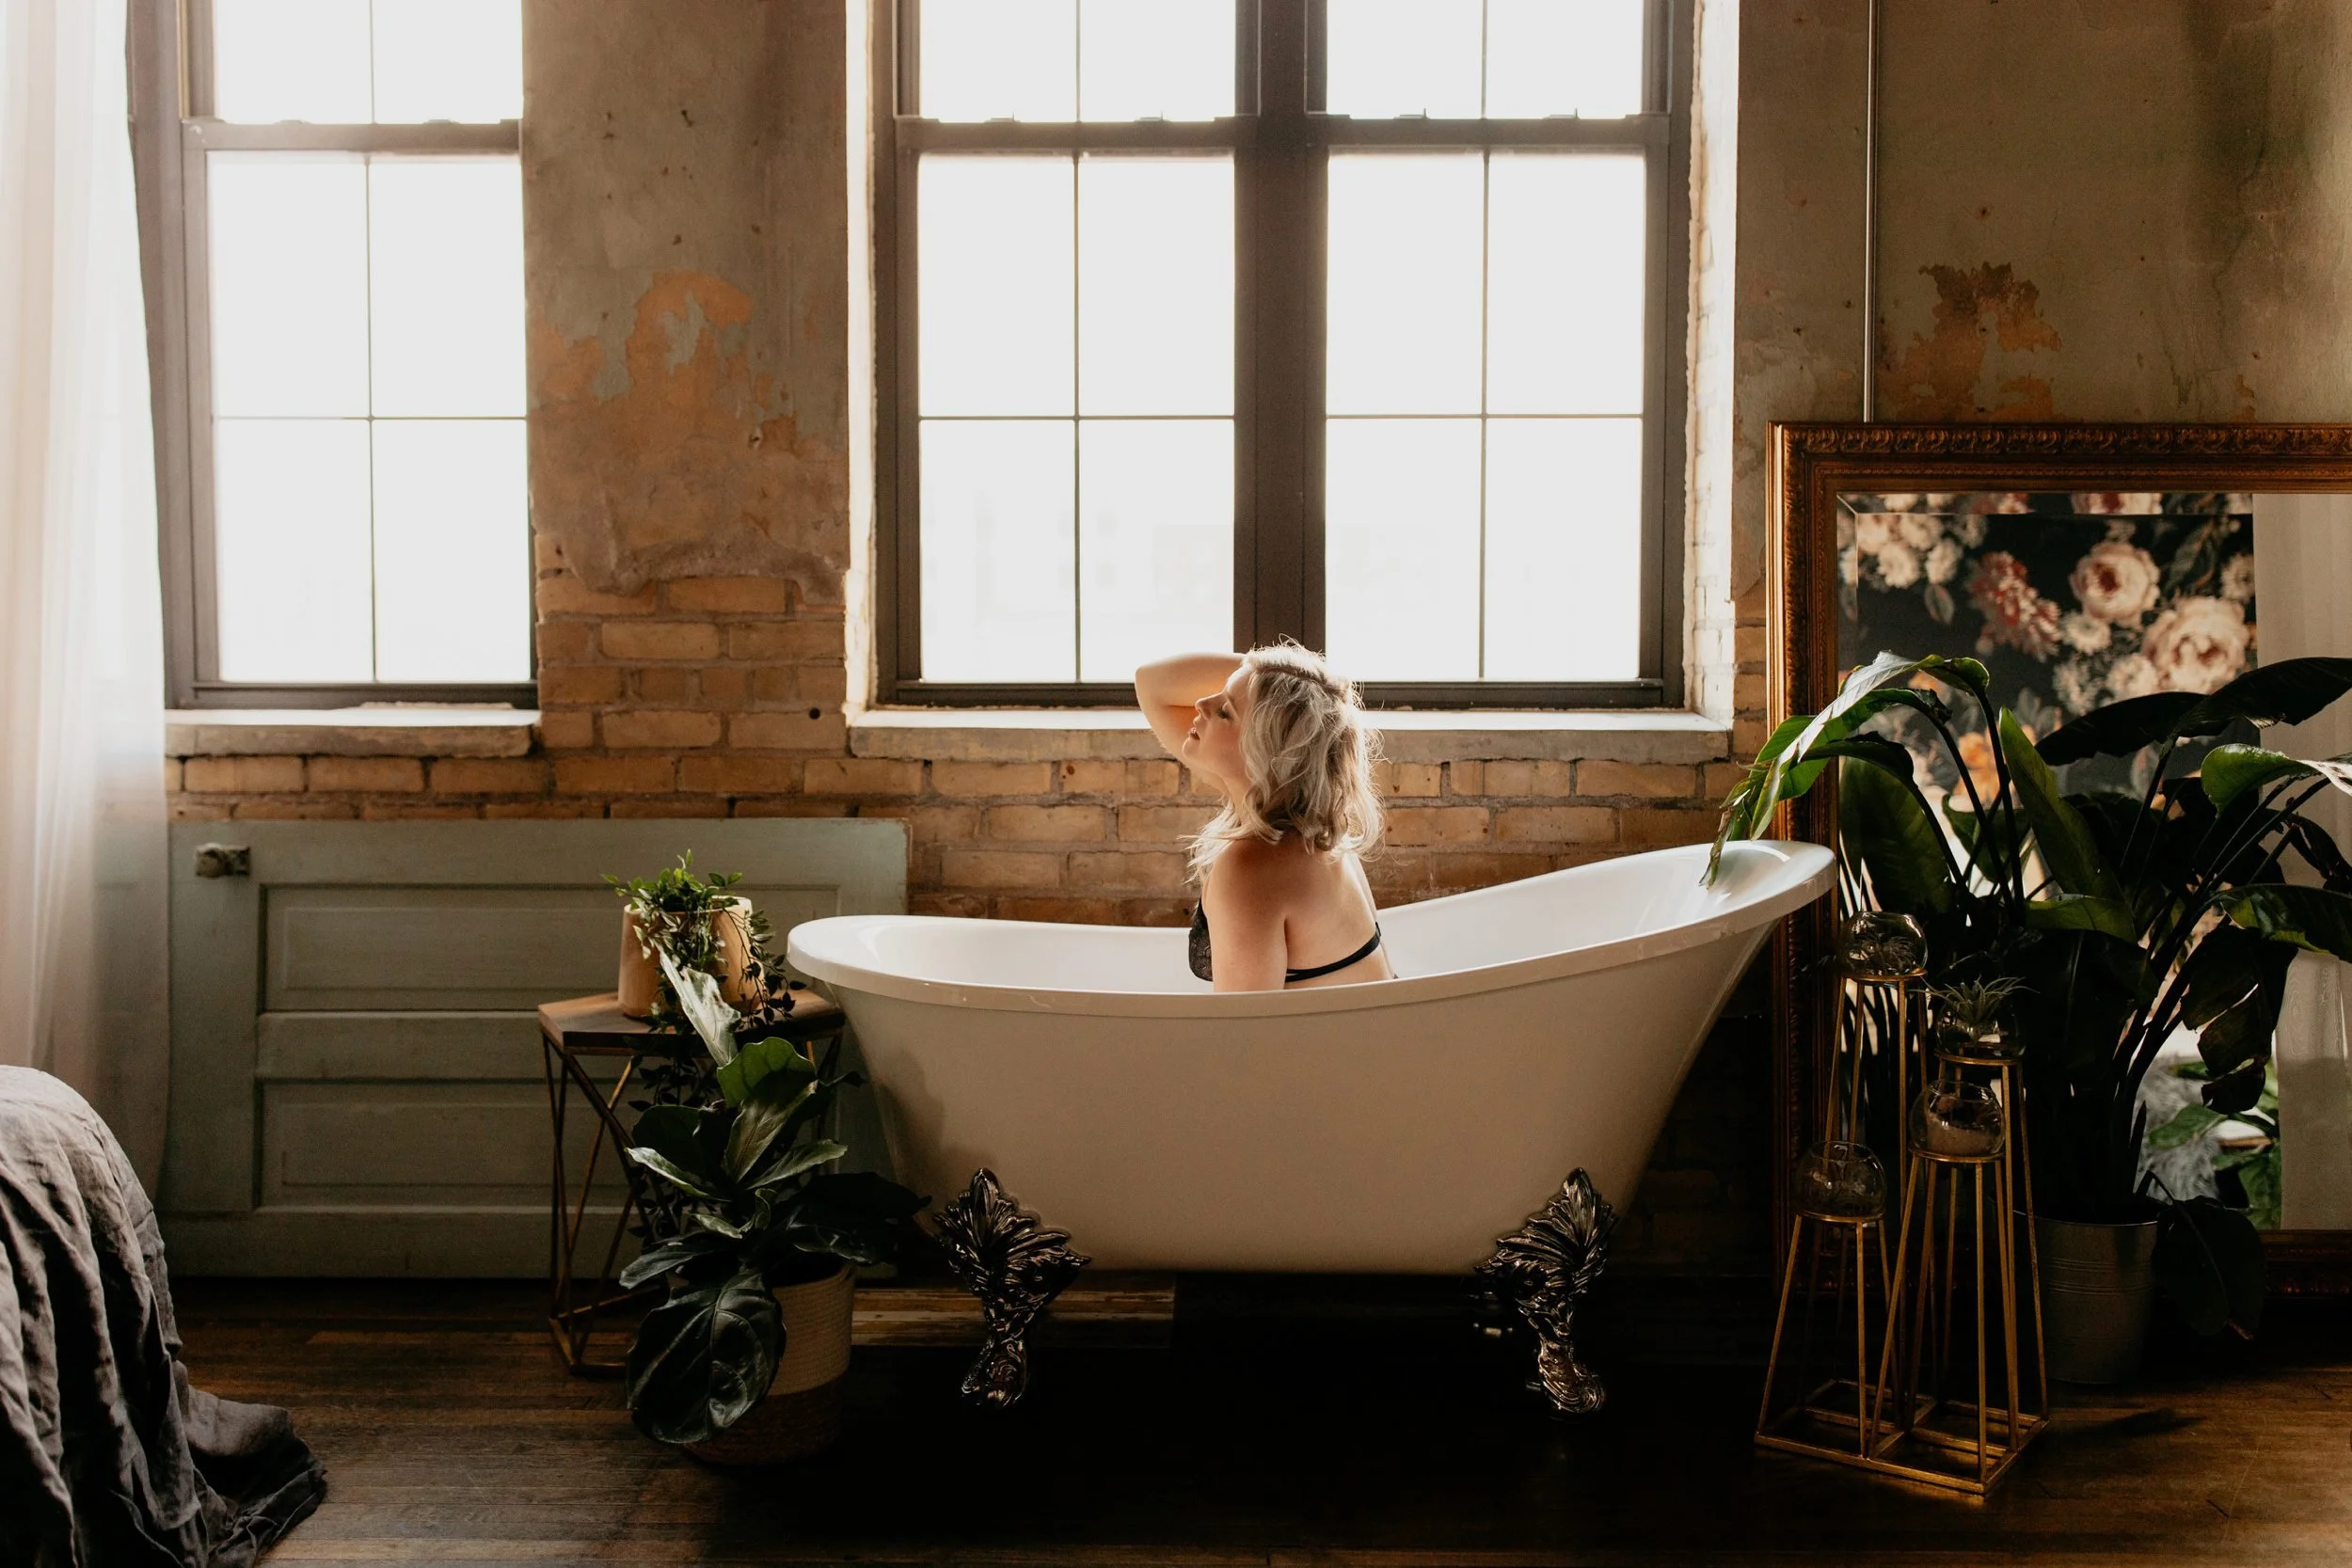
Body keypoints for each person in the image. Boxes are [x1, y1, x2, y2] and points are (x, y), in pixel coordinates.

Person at [1136, 645, 1393, 991]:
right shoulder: (1307, 823)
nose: (1200, 704)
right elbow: (1151, 683)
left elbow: (1245, 1037)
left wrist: (1276, 687)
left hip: (1337, 1045)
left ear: (1261, 753)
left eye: (1225, 711)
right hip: (1372, 1038)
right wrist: (1275, 677)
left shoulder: (1252, 867)